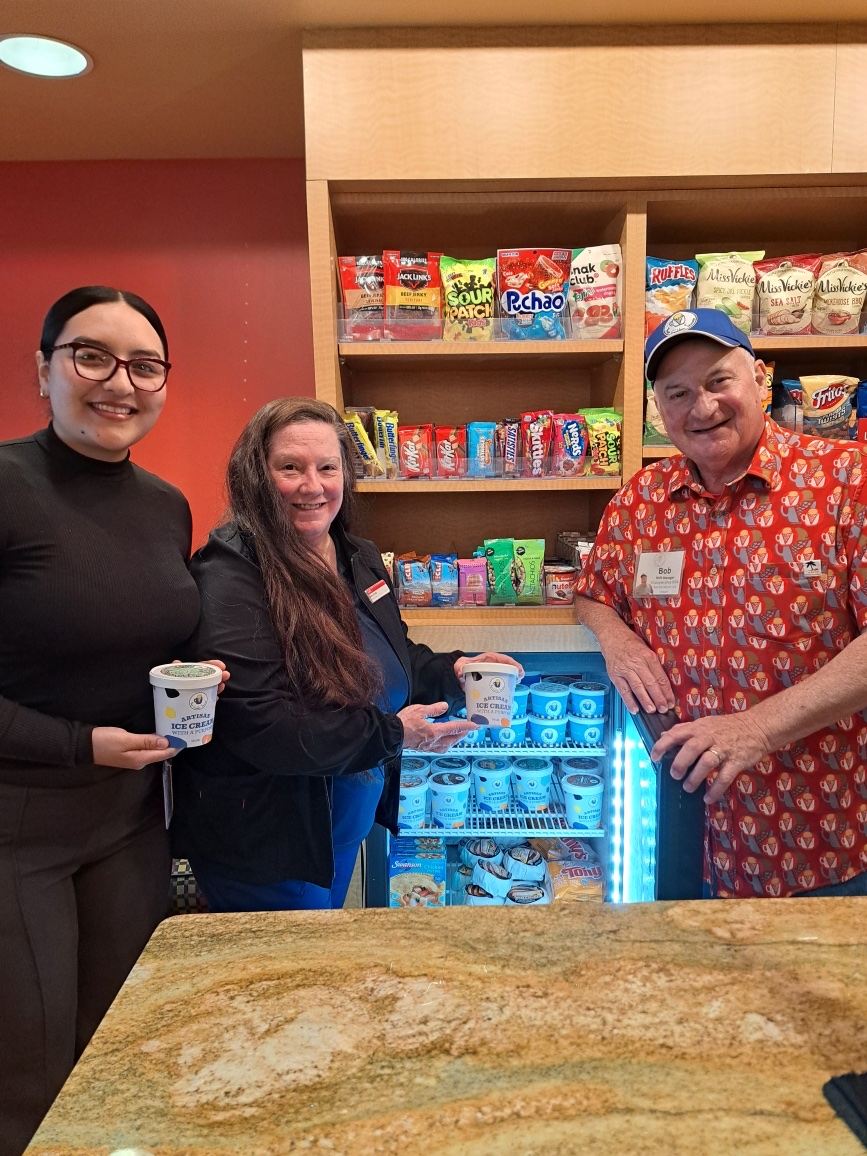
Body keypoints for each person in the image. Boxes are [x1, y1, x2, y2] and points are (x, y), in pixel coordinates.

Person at [0, 286, 225, 1156]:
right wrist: (74, 744)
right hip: (19, 824)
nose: (118, 382)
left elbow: (139, 634)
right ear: (43, 369)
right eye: (91, 356)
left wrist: (195, 673)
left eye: (145, 365)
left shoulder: (165, 504)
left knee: (120, 1042)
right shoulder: (10, 485)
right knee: (31, 1062)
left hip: (130, 824)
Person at [172, 398, 522, 912]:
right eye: (290, 467)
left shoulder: (355, 554)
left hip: (337, 833)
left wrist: (454, 672)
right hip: (271, 846)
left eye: (327, 467)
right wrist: (397, 733)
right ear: (255, 475)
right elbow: (269, 726)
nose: (312, 486)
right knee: (290, 981)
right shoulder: (230, 575)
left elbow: (390, 657)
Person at [575, 308, 867, 899]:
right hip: (685, 834)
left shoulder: (847, 482)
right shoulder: (642, 499)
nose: (701, 408)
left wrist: (755, 729)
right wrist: (618, 640)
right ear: (660, 409)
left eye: (717, 381)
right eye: (678, 392)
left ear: (761, 377)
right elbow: (593, 593)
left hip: (823, 837)